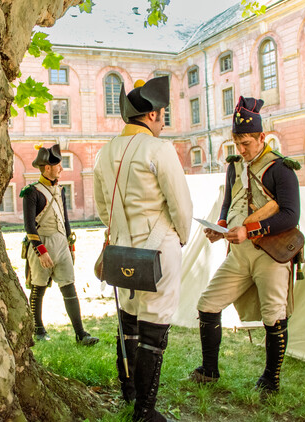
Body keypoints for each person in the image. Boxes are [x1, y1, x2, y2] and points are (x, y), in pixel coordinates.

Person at [93, 76, 193, 422]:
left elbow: (101, 206)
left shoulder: (103, 152)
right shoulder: (159, 149)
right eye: (161, 114)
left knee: (129, 320)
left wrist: (120, 234)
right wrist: (181, 237)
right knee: (154, 328)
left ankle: (129, 390)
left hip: (122, 252)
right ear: (150, 116)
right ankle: (145, 411)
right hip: (158, 250)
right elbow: (181, 206)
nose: (163, 119)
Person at [188, 96, 301, 398]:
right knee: (207, 304)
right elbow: (228, 202)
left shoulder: (281, 168)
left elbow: (291, 215)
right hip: (238, 252)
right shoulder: (234, 166)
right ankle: (209, 370)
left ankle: (270, 380)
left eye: (247, 143)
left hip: (270, 255)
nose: (241, 150)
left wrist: (250, 230)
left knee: (273, 315)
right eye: (237, 143)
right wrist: (220, 225)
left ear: (262, 137)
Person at [21, 144, 99, 346]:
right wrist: (41, 251)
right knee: (38, 287)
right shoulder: (32, 192)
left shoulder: (59, 191)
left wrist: (70, 247)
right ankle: (38, 329)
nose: (61, 169)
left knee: (69, 287)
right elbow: (29, 225)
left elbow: (65, 221)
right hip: (42, 244)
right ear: (47, 168)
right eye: (58, 165)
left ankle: (81, 334)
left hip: (61, 244)